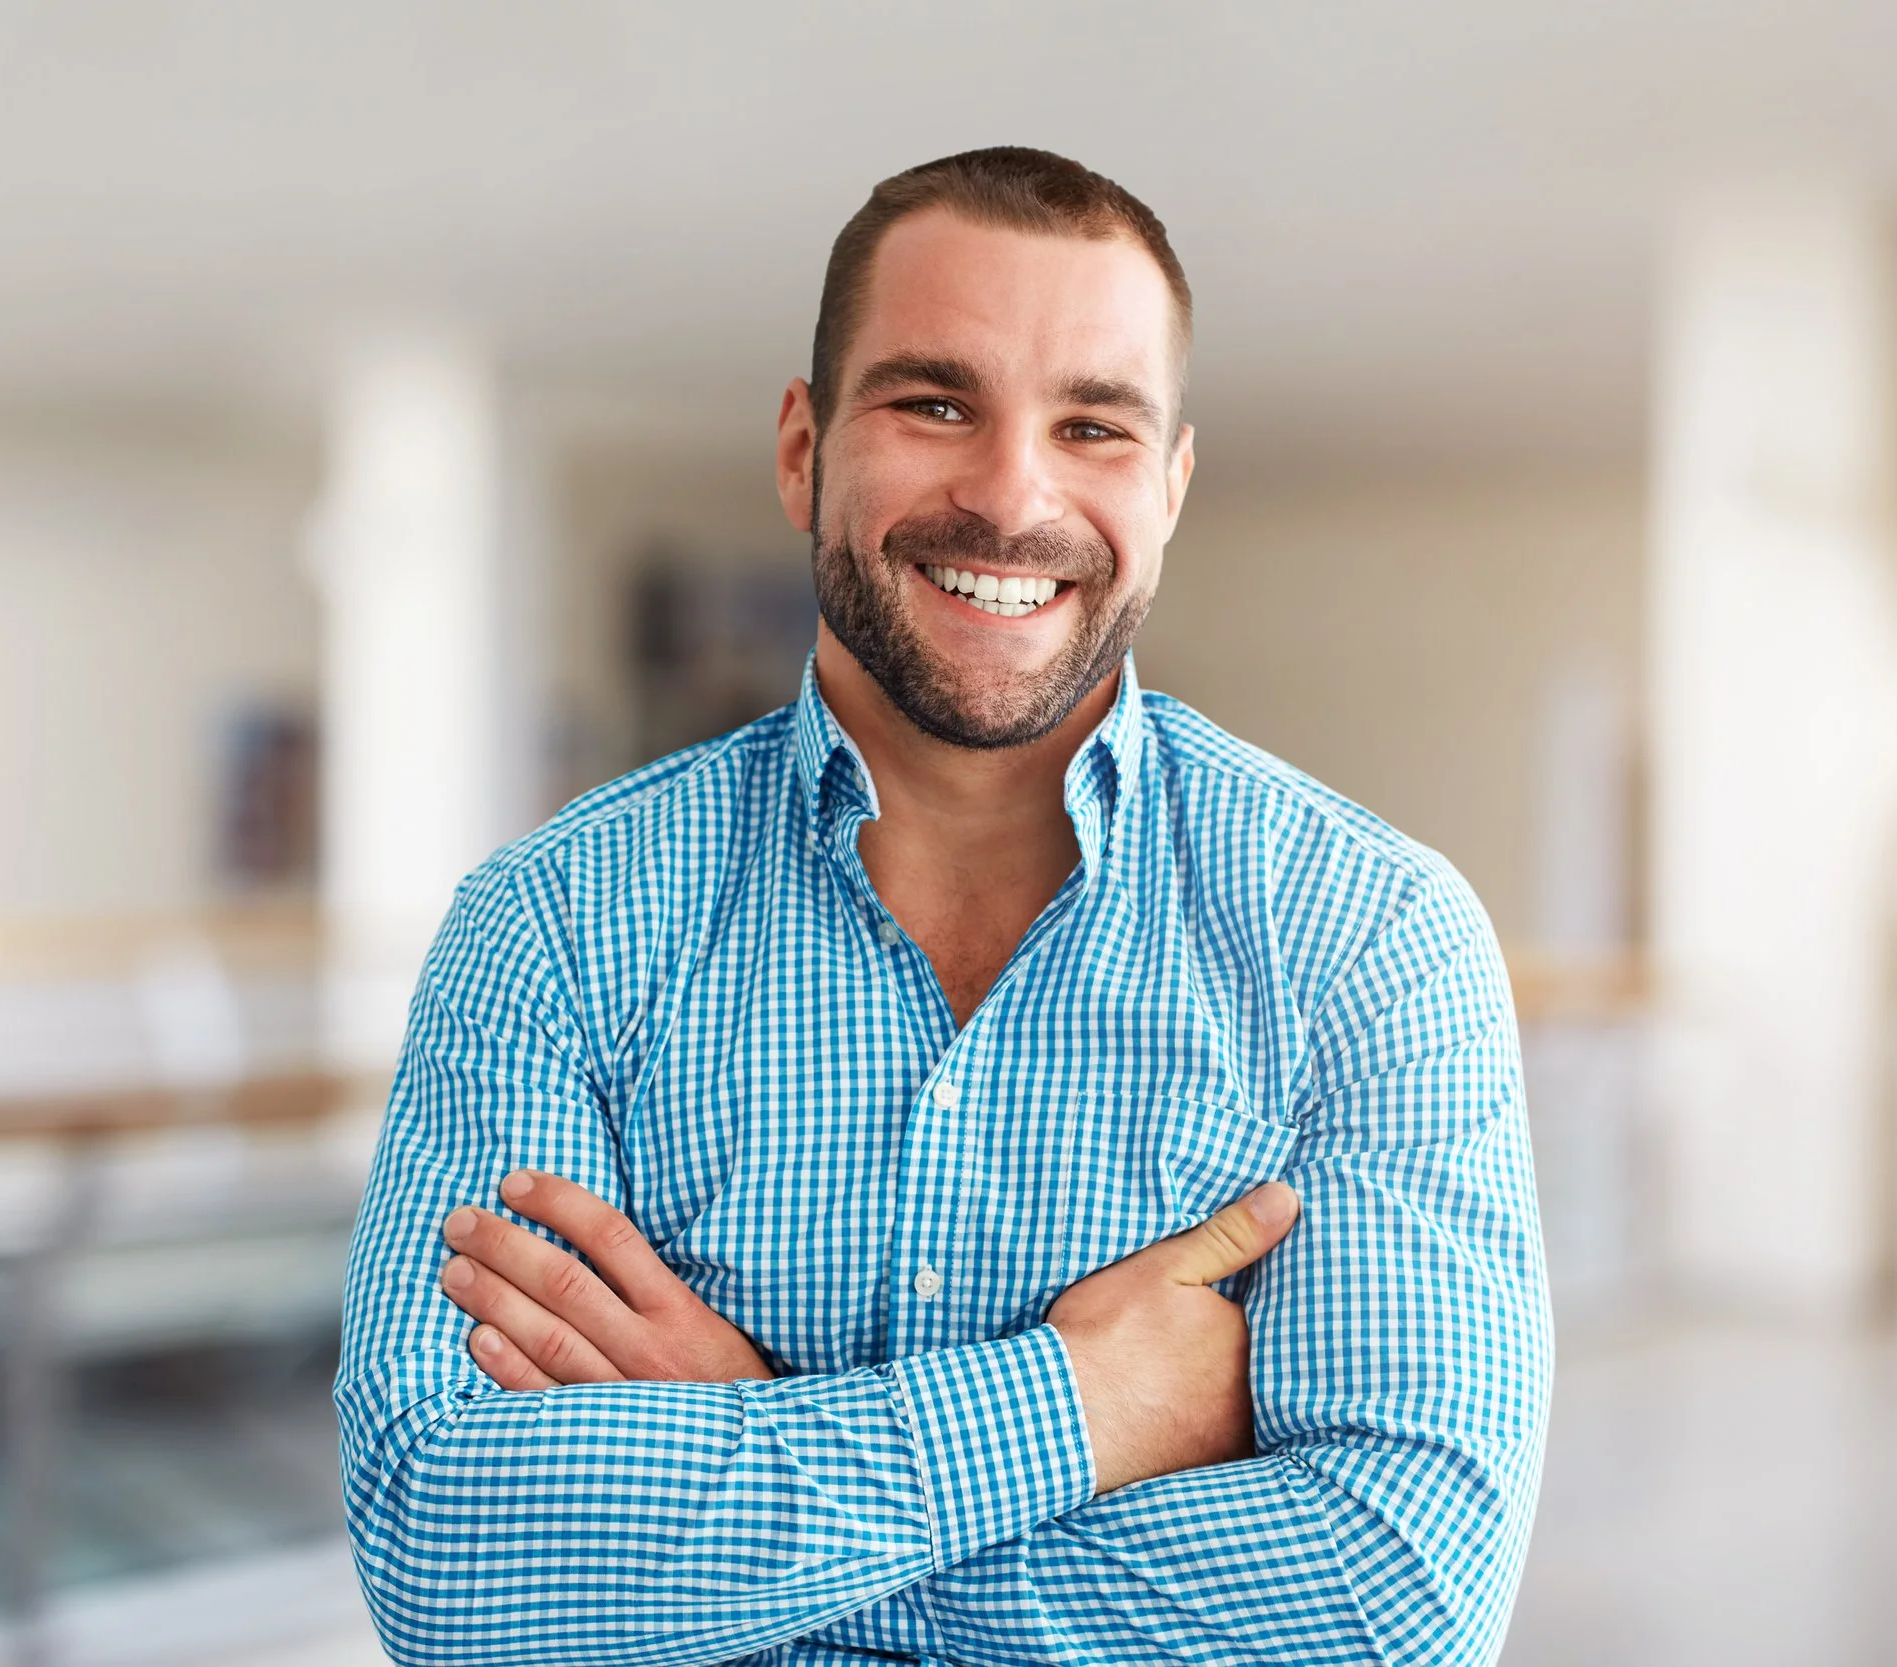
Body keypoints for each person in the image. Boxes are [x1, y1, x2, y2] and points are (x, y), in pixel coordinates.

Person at [334, 146, 1550, 1667]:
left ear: (1168, 491)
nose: (1009, 494)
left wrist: (750, 1458)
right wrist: (1086, 1404)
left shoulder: (1368, 938)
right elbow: (450, 1556)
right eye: (934, 403)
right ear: (802, 449)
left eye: (1092, 424)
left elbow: (1398, 1597)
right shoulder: (554, 927)